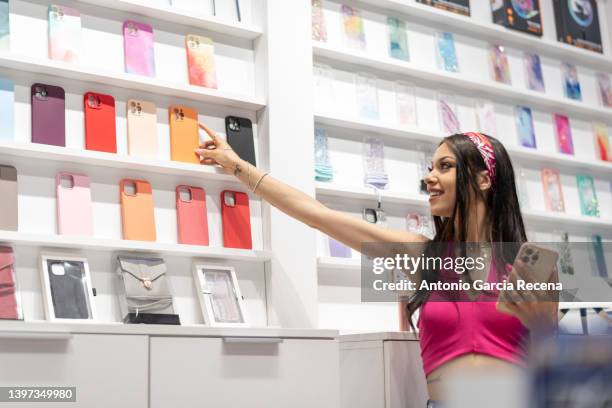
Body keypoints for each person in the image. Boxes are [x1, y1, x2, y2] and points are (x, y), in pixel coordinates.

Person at [195, 124, 558, 406]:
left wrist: (539, 324)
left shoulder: (533, 262)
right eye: (430, 168)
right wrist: (238, 166)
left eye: (445, 167)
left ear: (484, 178)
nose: (429, 177)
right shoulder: (423, 256)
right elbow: (318, 216)